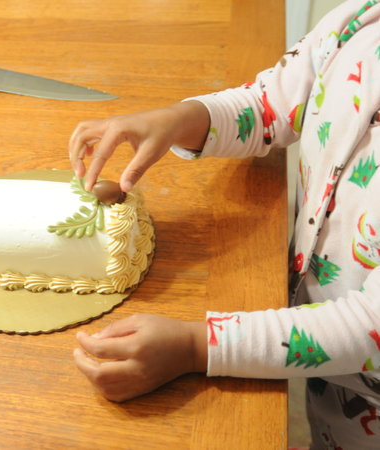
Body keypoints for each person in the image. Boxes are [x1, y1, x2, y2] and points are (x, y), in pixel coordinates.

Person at [68, 1, 380, 448]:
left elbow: (370, 328)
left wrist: (197, 347)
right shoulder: (363, 19)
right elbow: (271, 104)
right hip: (318, 358)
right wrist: (179, 120)